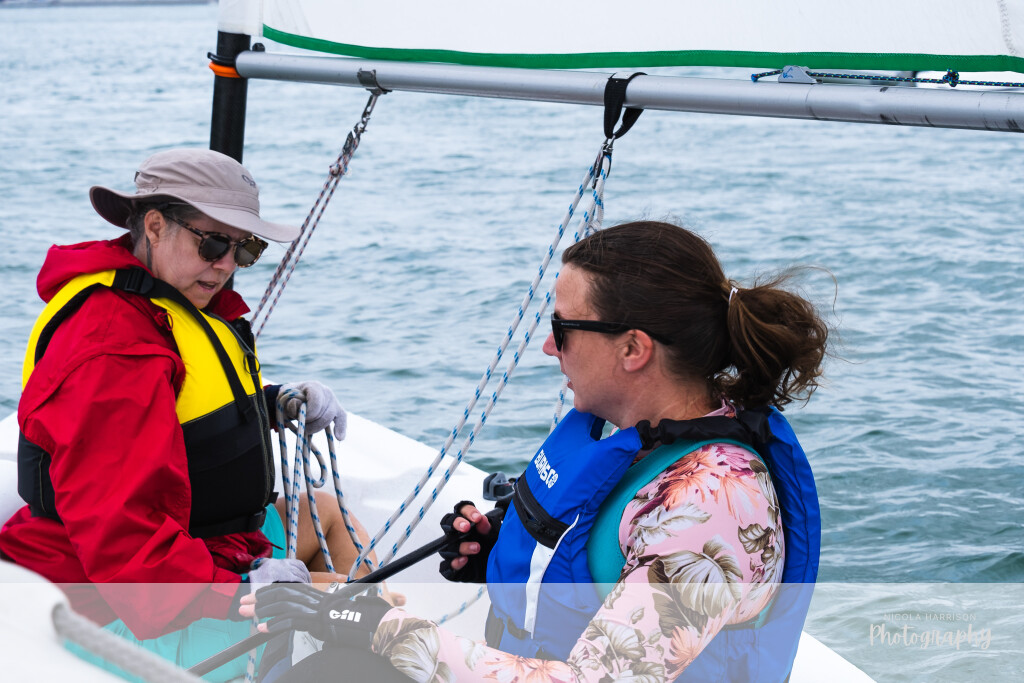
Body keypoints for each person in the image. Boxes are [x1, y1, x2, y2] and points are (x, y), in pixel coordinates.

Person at [243, 220, 830, 682]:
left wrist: (379, 626)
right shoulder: (641, 446)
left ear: (633, 349)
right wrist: (502, 555)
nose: (550, 346)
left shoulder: (713, 503)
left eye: (565, 328)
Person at [0, 148, 375, 680]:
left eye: (245, 249)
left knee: (327, 514)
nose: (227, 264)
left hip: (200, 547)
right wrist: (236, 591)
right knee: (348, 613)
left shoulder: (160, 306)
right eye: (214, 242)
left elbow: (182, 414)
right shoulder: (114, 349)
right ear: (155, 226)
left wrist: (272, 404)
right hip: (112, 603)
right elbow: (119, 535)